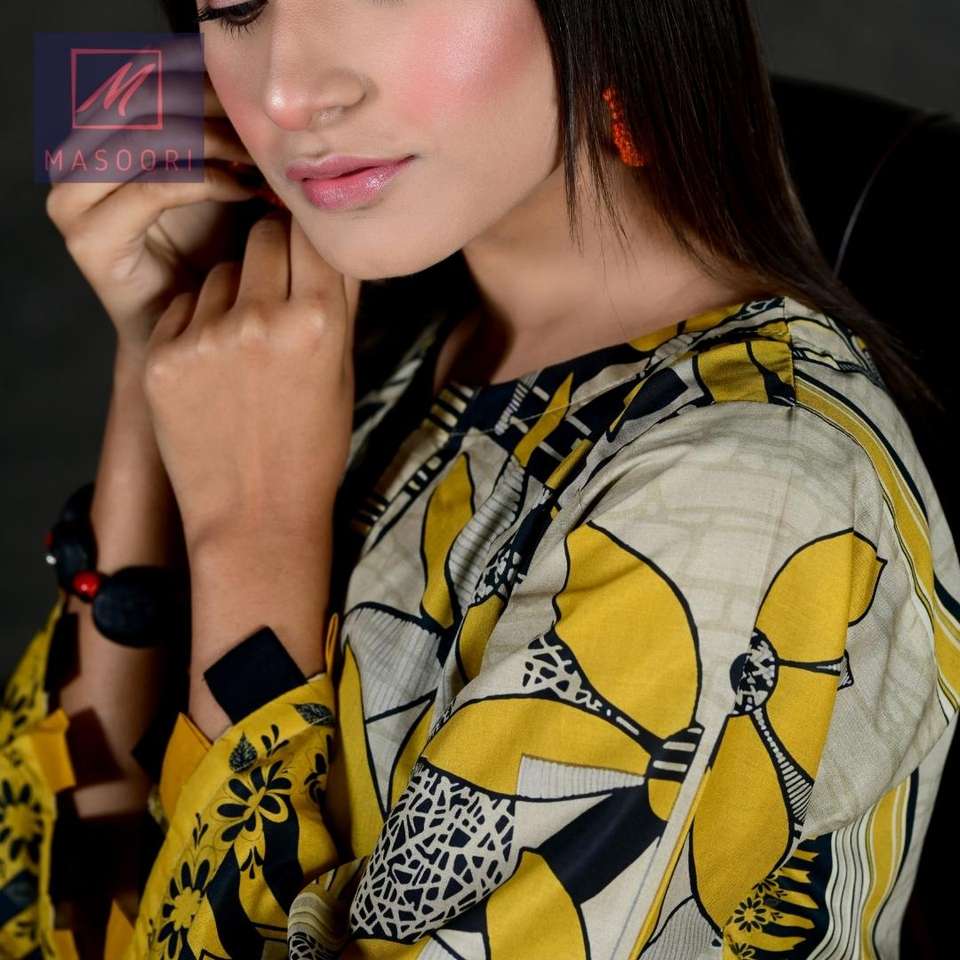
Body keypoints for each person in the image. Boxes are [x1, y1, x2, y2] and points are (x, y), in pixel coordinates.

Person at [6, 0, 958, 957]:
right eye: (239, 5)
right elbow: (51, 908)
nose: (287, 93)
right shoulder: (366, 337)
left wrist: (252, 543)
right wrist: (163, 346)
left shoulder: (741, 500)